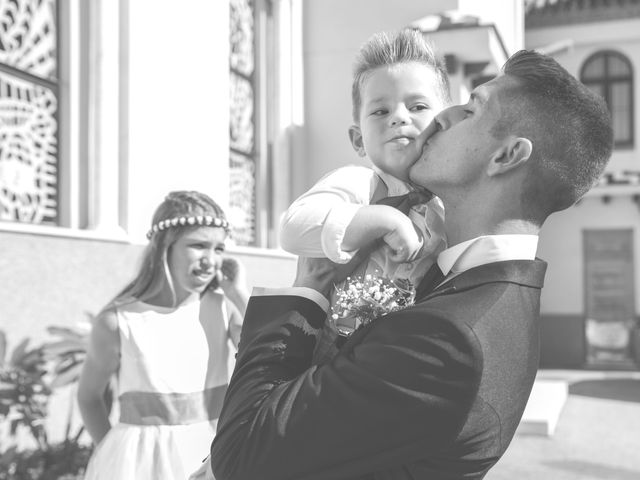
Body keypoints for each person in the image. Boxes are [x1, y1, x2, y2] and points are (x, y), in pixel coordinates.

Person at [208, 50, 613, 479]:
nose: (438, 118)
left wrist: (309, 287)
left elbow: (242, 454)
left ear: (506, 156)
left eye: (469, 109)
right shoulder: (471, 284)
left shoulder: (452, 340)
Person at [280, 29, 450, 361]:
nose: (399, 117)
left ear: (442, 125)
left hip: (402, 354)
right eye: (380, 112)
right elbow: (293, 228)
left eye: (417, 106)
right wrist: (385, 220)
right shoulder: (361, 184)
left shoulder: (446, 201)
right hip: (329, 352)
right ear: (358, 140)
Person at [77, 191, 249, 480]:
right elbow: (89, 397)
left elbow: (267, 353)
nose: (211, 260)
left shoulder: (223, 309)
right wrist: (110, 454)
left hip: (212, 453)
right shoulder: (118, 322)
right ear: (164, 246)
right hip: (141, 463)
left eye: (219, 249)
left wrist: (240, 295)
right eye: (198, 245)